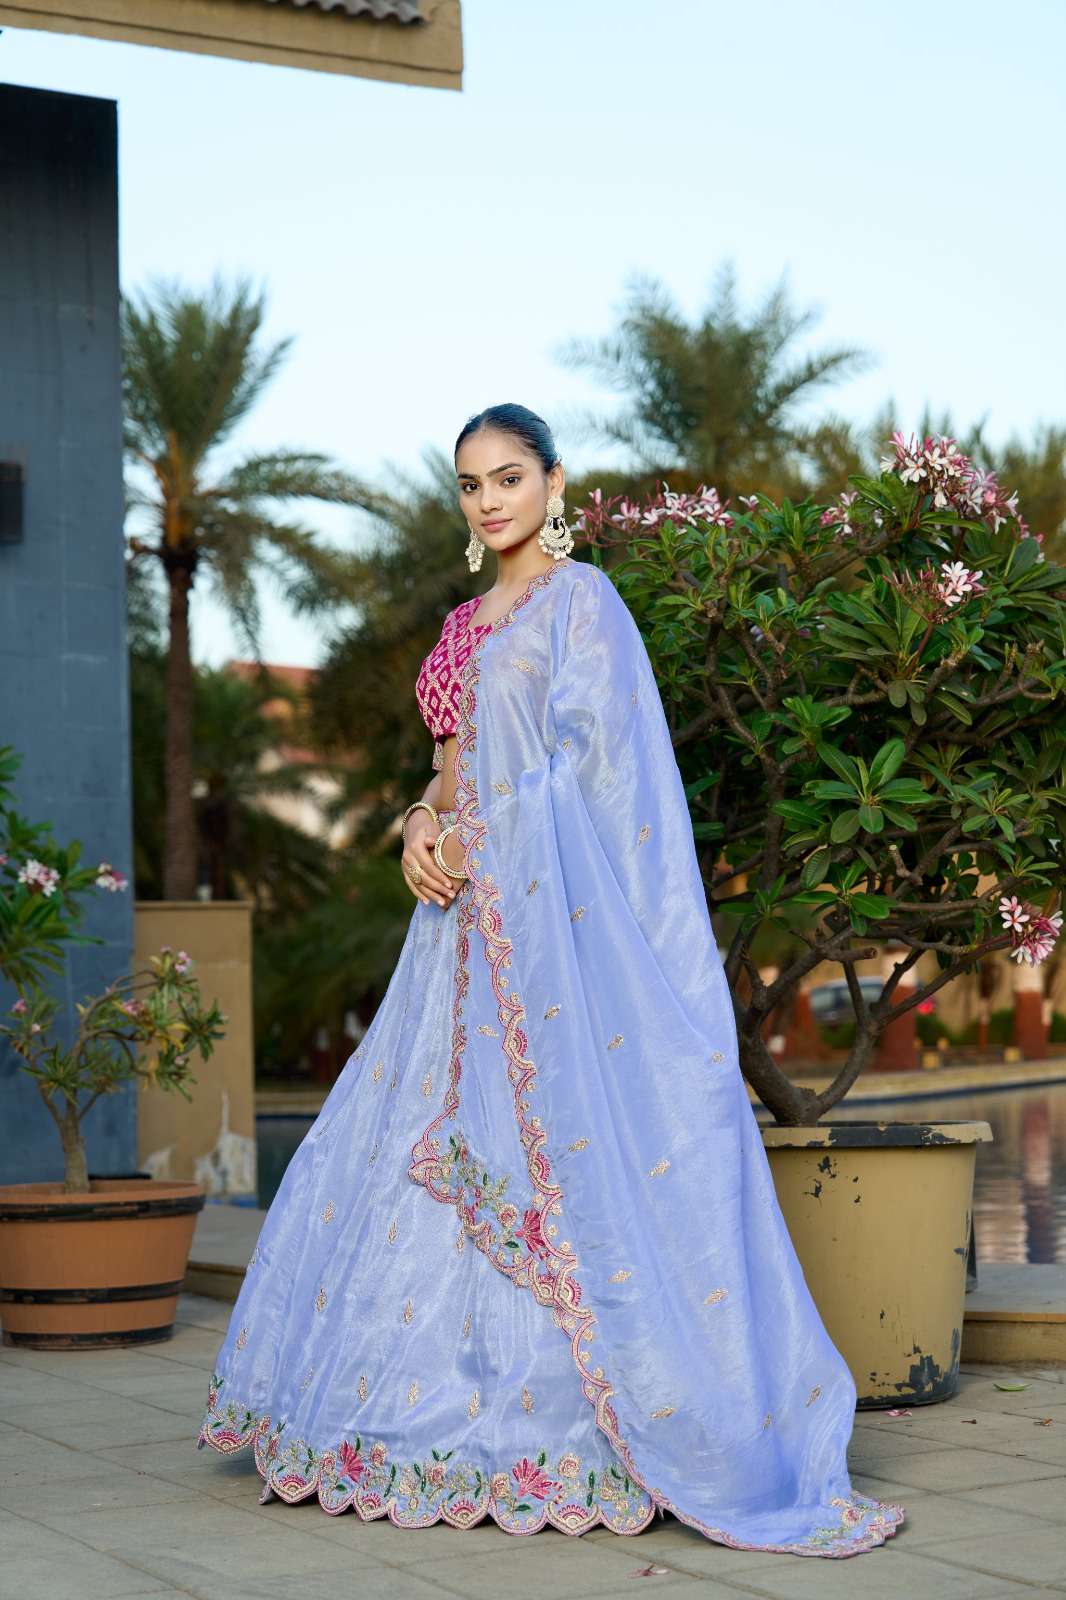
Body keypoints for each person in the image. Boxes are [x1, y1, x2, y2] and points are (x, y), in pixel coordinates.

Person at [197, 403, 906, 1556]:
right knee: (412, 1140)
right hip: (460, 939)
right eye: (470, 483)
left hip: (554, 939)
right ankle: (409, 1419)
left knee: (556, 1153)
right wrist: (419, 821)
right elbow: (449, 767)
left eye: (508, 476)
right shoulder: (459, 627)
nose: (489, 500)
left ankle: (582, 1431)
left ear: (553, 483)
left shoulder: (584, 604)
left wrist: (493, 832)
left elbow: (601, 770)